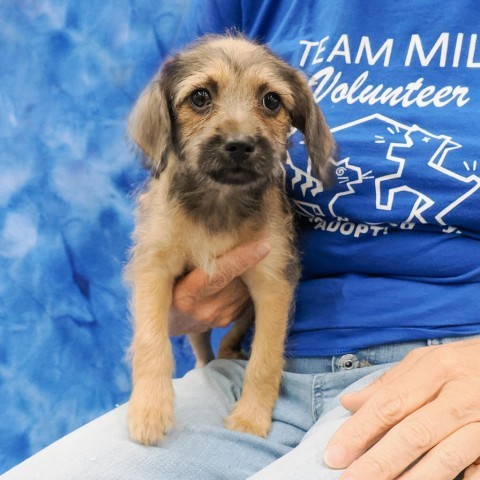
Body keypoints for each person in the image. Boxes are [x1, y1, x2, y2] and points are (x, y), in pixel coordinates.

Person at [3, 0, 480, 479]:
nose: (236, 132)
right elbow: (162, 172)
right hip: (250, 361)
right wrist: (180, 303)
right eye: (202, 99)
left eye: (270, 102)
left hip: (442, 370)